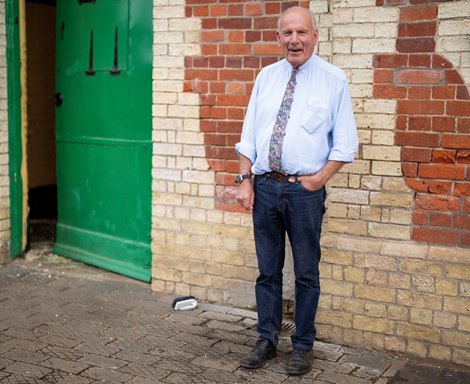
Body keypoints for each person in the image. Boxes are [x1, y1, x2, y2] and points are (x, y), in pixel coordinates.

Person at [235, 6, 358, 376]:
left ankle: (303, 346)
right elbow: (247, 137)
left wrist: (317, 180)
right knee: (267, 272)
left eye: (302, 32)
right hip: (265, 189)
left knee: (306, 273)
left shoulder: (333, 80)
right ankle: (267, 341)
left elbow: (346, 144)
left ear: (315, 36)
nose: (294, 40)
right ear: (278, 38)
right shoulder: (266, 77)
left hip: (304, 193)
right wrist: (245, 180)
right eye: (287, 33)